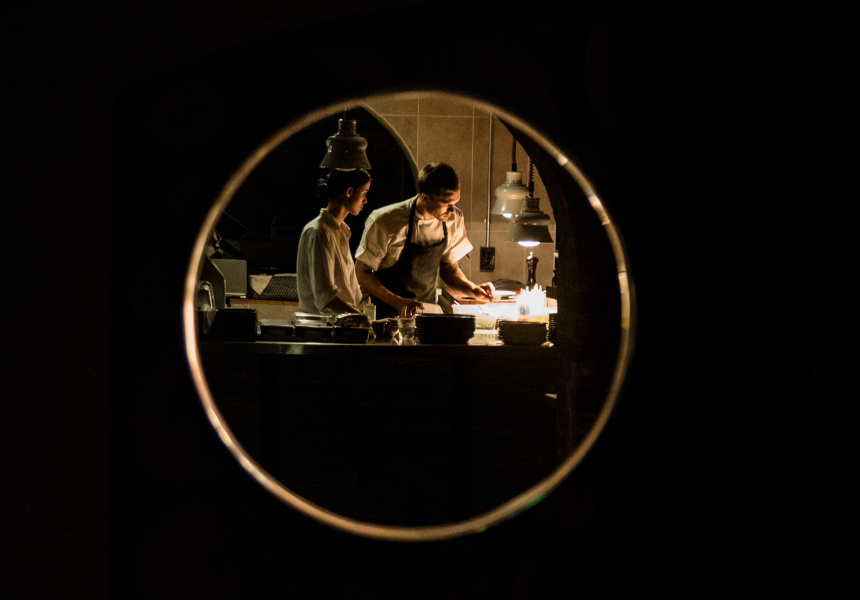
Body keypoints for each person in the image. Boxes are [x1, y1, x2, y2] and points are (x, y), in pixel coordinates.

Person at [355, 161, 494, 318]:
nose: (452, 210)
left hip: (424, 316)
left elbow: (449, 269)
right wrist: (398, 302)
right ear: (426, 198)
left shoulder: (453, 220)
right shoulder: (385, 221)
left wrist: (472, 289)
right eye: (446, 203)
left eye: (455, 202)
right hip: (385, 317)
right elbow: (362, 273)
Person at [296, 168, 371, 314]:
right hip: (323, 325)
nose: (366, 200)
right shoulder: (319, 232)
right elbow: (326, 297)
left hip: (341, 322)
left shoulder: (341, 231)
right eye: (364, 193)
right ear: (349, 192)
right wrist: (362, 319)